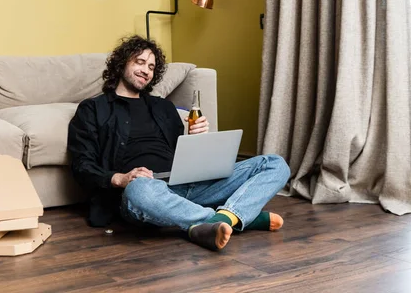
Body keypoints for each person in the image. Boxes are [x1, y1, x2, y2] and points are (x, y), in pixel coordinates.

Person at [67, 35, 290, 251]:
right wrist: (121, 179)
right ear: (121, 63)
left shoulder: (163, 107)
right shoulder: (93, 109)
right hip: (149, 190)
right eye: (140, 62)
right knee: (140, 190)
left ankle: (219, 219)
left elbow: (181, 154)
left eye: (152, 67)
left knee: (275, 164)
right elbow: (81, 165)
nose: (146, 70)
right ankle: (235, 217)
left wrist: (197, 138)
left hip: (189, 184)